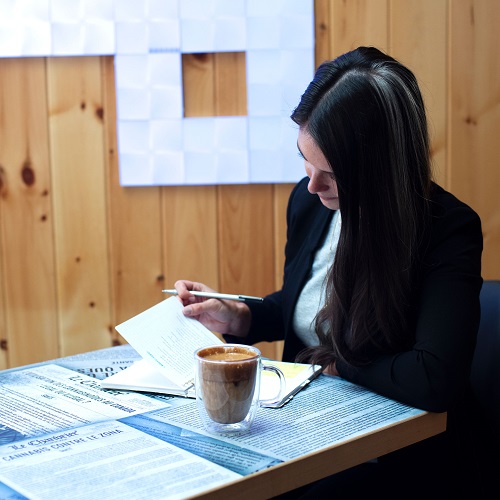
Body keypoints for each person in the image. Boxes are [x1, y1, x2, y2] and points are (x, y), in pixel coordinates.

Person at [173, 47, 484, 497]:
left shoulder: (447, 228)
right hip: (305, 428)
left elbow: (434, 378)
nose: (312, 184)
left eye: (331, 174)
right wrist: (239, 315)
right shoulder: (309, 200)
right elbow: (307, 305)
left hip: (395, 457)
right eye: (305, 159)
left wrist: (335, 365)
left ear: (382, 171)